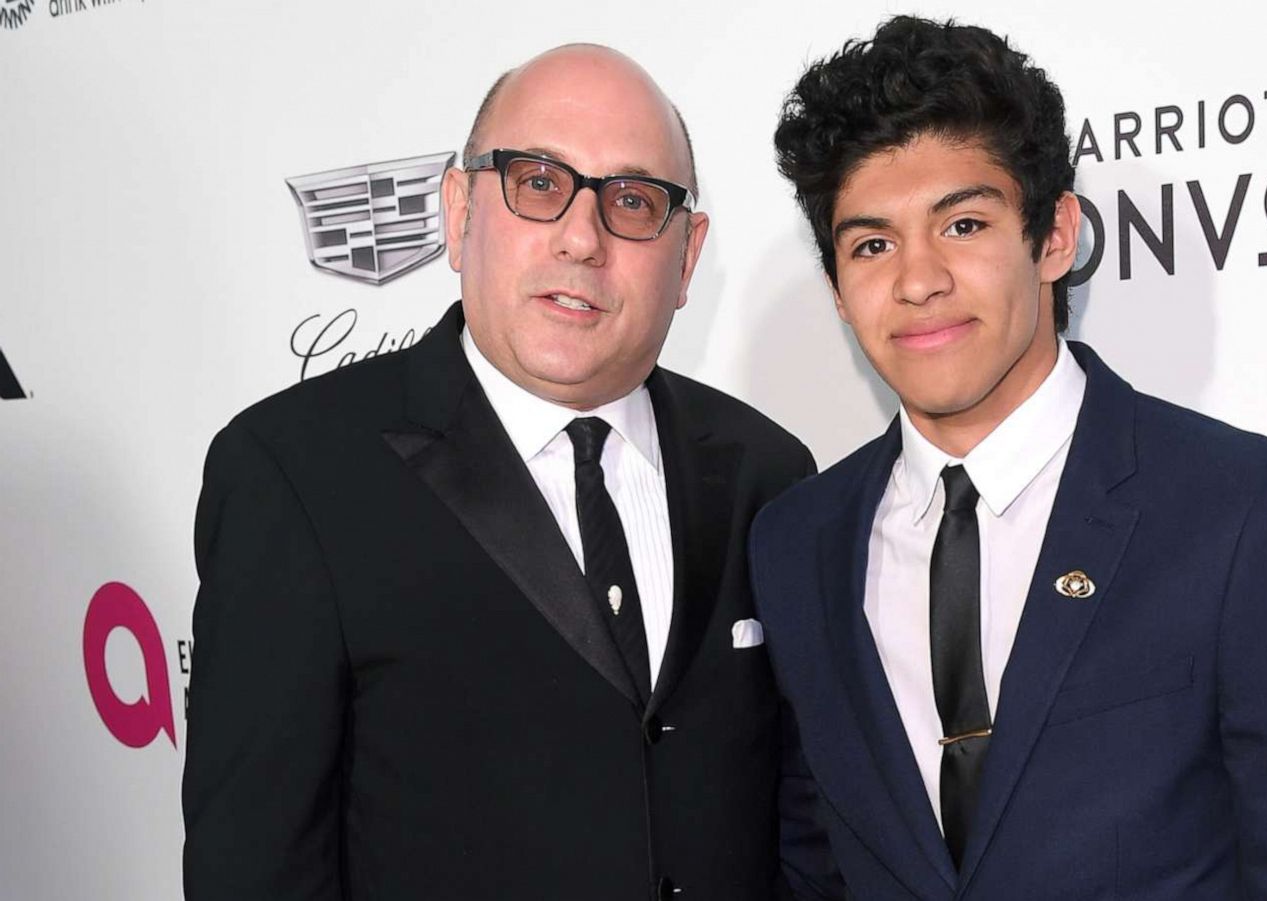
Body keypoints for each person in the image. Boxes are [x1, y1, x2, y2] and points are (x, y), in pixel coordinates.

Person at [753, 16, 1267, 900]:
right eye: (872, 244)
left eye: (964, 224)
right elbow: (814, 861)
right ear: (836, 285)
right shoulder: (797, 542)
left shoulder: (1252, 514)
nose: (916, 279)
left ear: (1055, 235)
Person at [183, 45, 813, 901]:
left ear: (688, 256)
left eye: (632, 201)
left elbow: (801, 826)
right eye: (539, 182)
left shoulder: (768, 474)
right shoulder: (294, 473)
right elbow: (254, 869)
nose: (582, 239)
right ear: (457, 210)